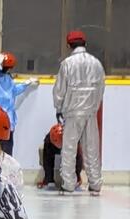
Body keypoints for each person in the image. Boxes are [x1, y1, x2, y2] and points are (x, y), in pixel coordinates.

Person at [53, 30, 105, 195]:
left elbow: (60, 90)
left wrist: (58, 107)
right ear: (85, 44)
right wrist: (94, 106)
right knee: (92, 149)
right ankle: (95, 184)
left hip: (72, 113)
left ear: (69, 45)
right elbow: (101, 88)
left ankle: (68, 185)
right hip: (90, 112)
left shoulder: (67, 64)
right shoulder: (96, 63)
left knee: (69, 149)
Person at [0, 51, 39, 155]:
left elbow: (13, 91)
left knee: (7, 153)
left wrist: (26, 83)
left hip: (8, 123)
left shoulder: (7, 79)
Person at [37, 123, 84, 190]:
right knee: (44, 153)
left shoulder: (73, 138)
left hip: (68, 145)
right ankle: (49, 180)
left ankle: (76, 180)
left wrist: (77, 176)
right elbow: (47, 161)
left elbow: (78, 159)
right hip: (52, 146)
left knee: (76, 156)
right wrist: (48, 180)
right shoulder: (48, 140)